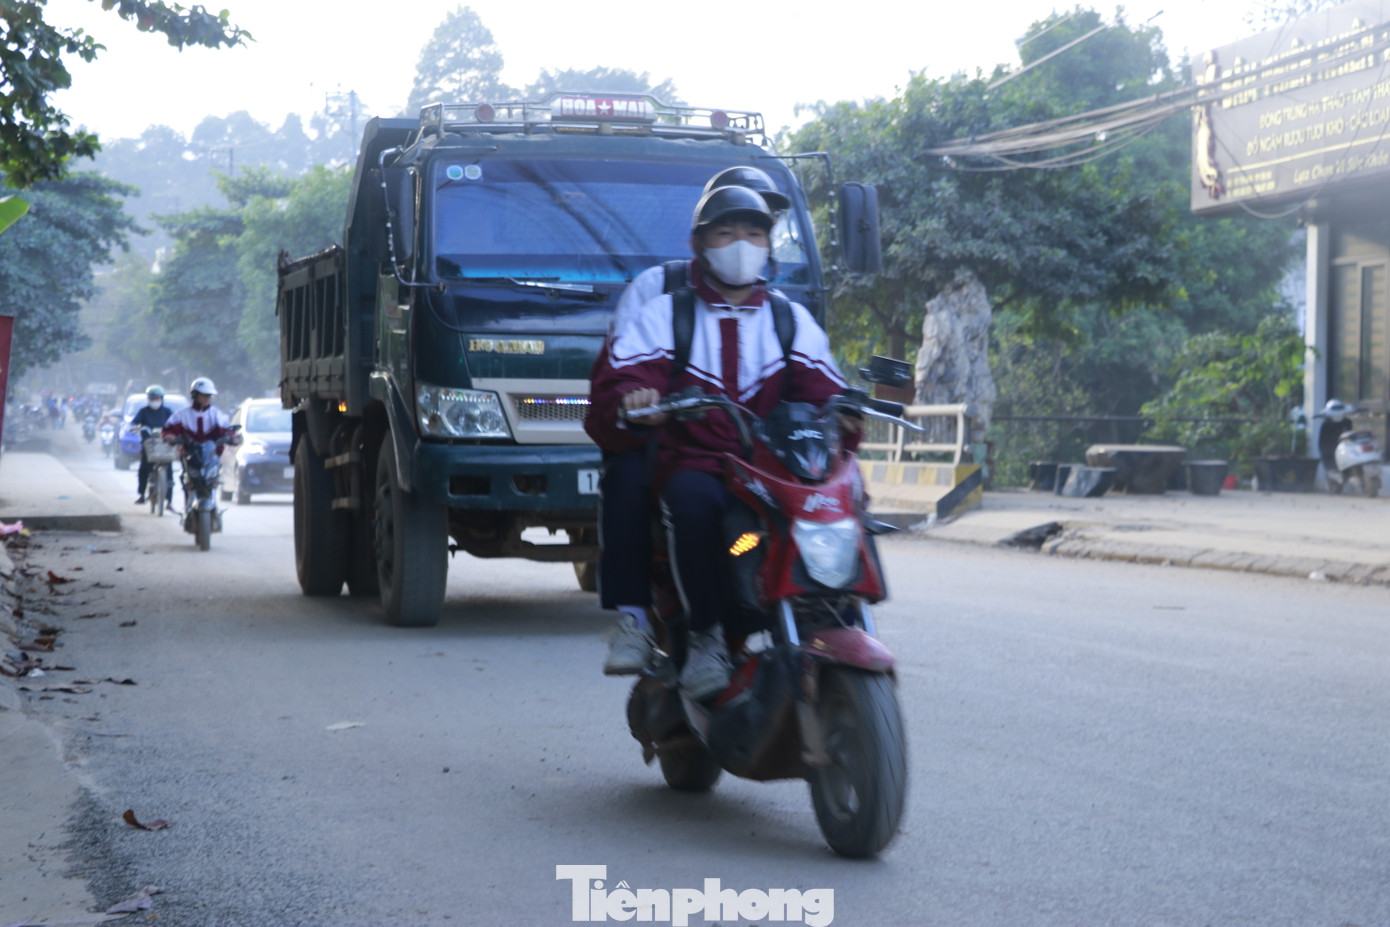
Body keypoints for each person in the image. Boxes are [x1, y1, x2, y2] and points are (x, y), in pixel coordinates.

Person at [587, 185, 858, 699]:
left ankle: (839, 621)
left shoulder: (788, 319)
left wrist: (845, 414)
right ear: (700, 243)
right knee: (693, 507)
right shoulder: (667, 312)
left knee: (839, 507)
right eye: (726, 232)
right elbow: (622, 377)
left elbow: (825, 388)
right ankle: (705, 635)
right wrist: (633, 398)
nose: (741, 244)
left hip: (773, 470)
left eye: (753, 233)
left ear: (769, 245)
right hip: (696, 463)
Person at [129, 385, 174, 505]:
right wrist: (134, 426)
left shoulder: (167, 412)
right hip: (148, 446)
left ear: (161, 399)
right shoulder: (143, 412)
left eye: (157, 398)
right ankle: (142, 494)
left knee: (169, 469)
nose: (155, 401)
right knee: (144, 468)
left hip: (164, 445)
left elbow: (175, 422)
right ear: (148, 399)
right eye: (152, 398)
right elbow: (135, 422)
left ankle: (169, 500)